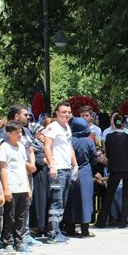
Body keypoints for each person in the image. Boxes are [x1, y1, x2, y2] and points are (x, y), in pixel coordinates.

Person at [43, 101, 78, 244]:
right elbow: (47, 146)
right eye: (64, 112)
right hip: (57, 170)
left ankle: (58, 231)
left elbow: (69, 148)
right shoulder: (53, 127)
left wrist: (75, 165)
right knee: (56, 201)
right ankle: (52, 233)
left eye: (69, 112)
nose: (67, 115)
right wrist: (52, 165)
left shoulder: (67, 128)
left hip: (67, 168)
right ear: (57, 113)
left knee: (62, 201)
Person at [0, 121, 34, 253]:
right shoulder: (4, 147)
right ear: (8, 134)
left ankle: (18, 241)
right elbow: (3, 168)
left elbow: (23, 167)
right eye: (16, 132)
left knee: (21, 216)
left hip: (22, 186)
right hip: (11, 186)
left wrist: (28, 187)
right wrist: (6, 188)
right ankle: (7, 241)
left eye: (20, 132)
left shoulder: (21, 146)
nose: (19, 134)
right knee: (10, 215)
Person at [63, 117, 97, 237]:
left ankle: (70, 229)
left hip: (70, 171)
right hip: (85, 172)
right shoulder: (88, 141)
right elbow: (94, 158)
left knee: (70, 200)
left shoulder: (68, 140)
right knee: (85, 200)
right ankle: (85, 230)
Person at [101, 112, 128, 228]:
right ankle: (123, 221)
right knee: (126, 196)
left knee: (109, 195)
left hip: (115, 168)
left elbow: (108, 154)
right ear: (123, 124)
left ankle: (101, 221)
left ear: (114, 124)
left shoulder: (109, 136)